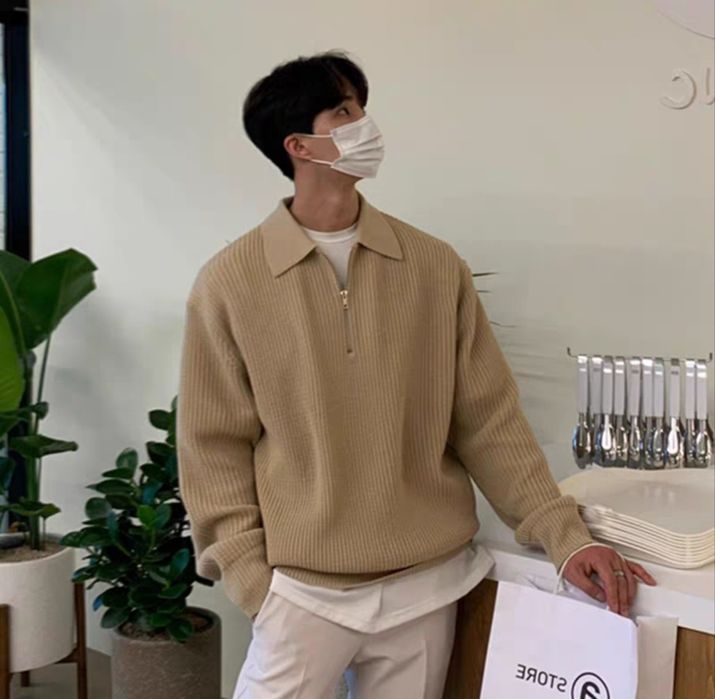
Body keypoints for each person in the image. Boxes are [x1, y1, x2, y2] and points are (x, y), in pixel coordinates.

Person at [176, 50, 656, 699]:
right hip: (302, 595)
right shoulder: (230, 283)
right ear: (298, 145)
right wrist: (252, 581)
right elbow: (211, 447)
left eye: (360, 107)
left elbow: (488, 421)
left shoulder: (432, 266)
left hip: (427, 587)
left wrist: (565, 538)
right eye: (342, 111)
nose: (364, 124)